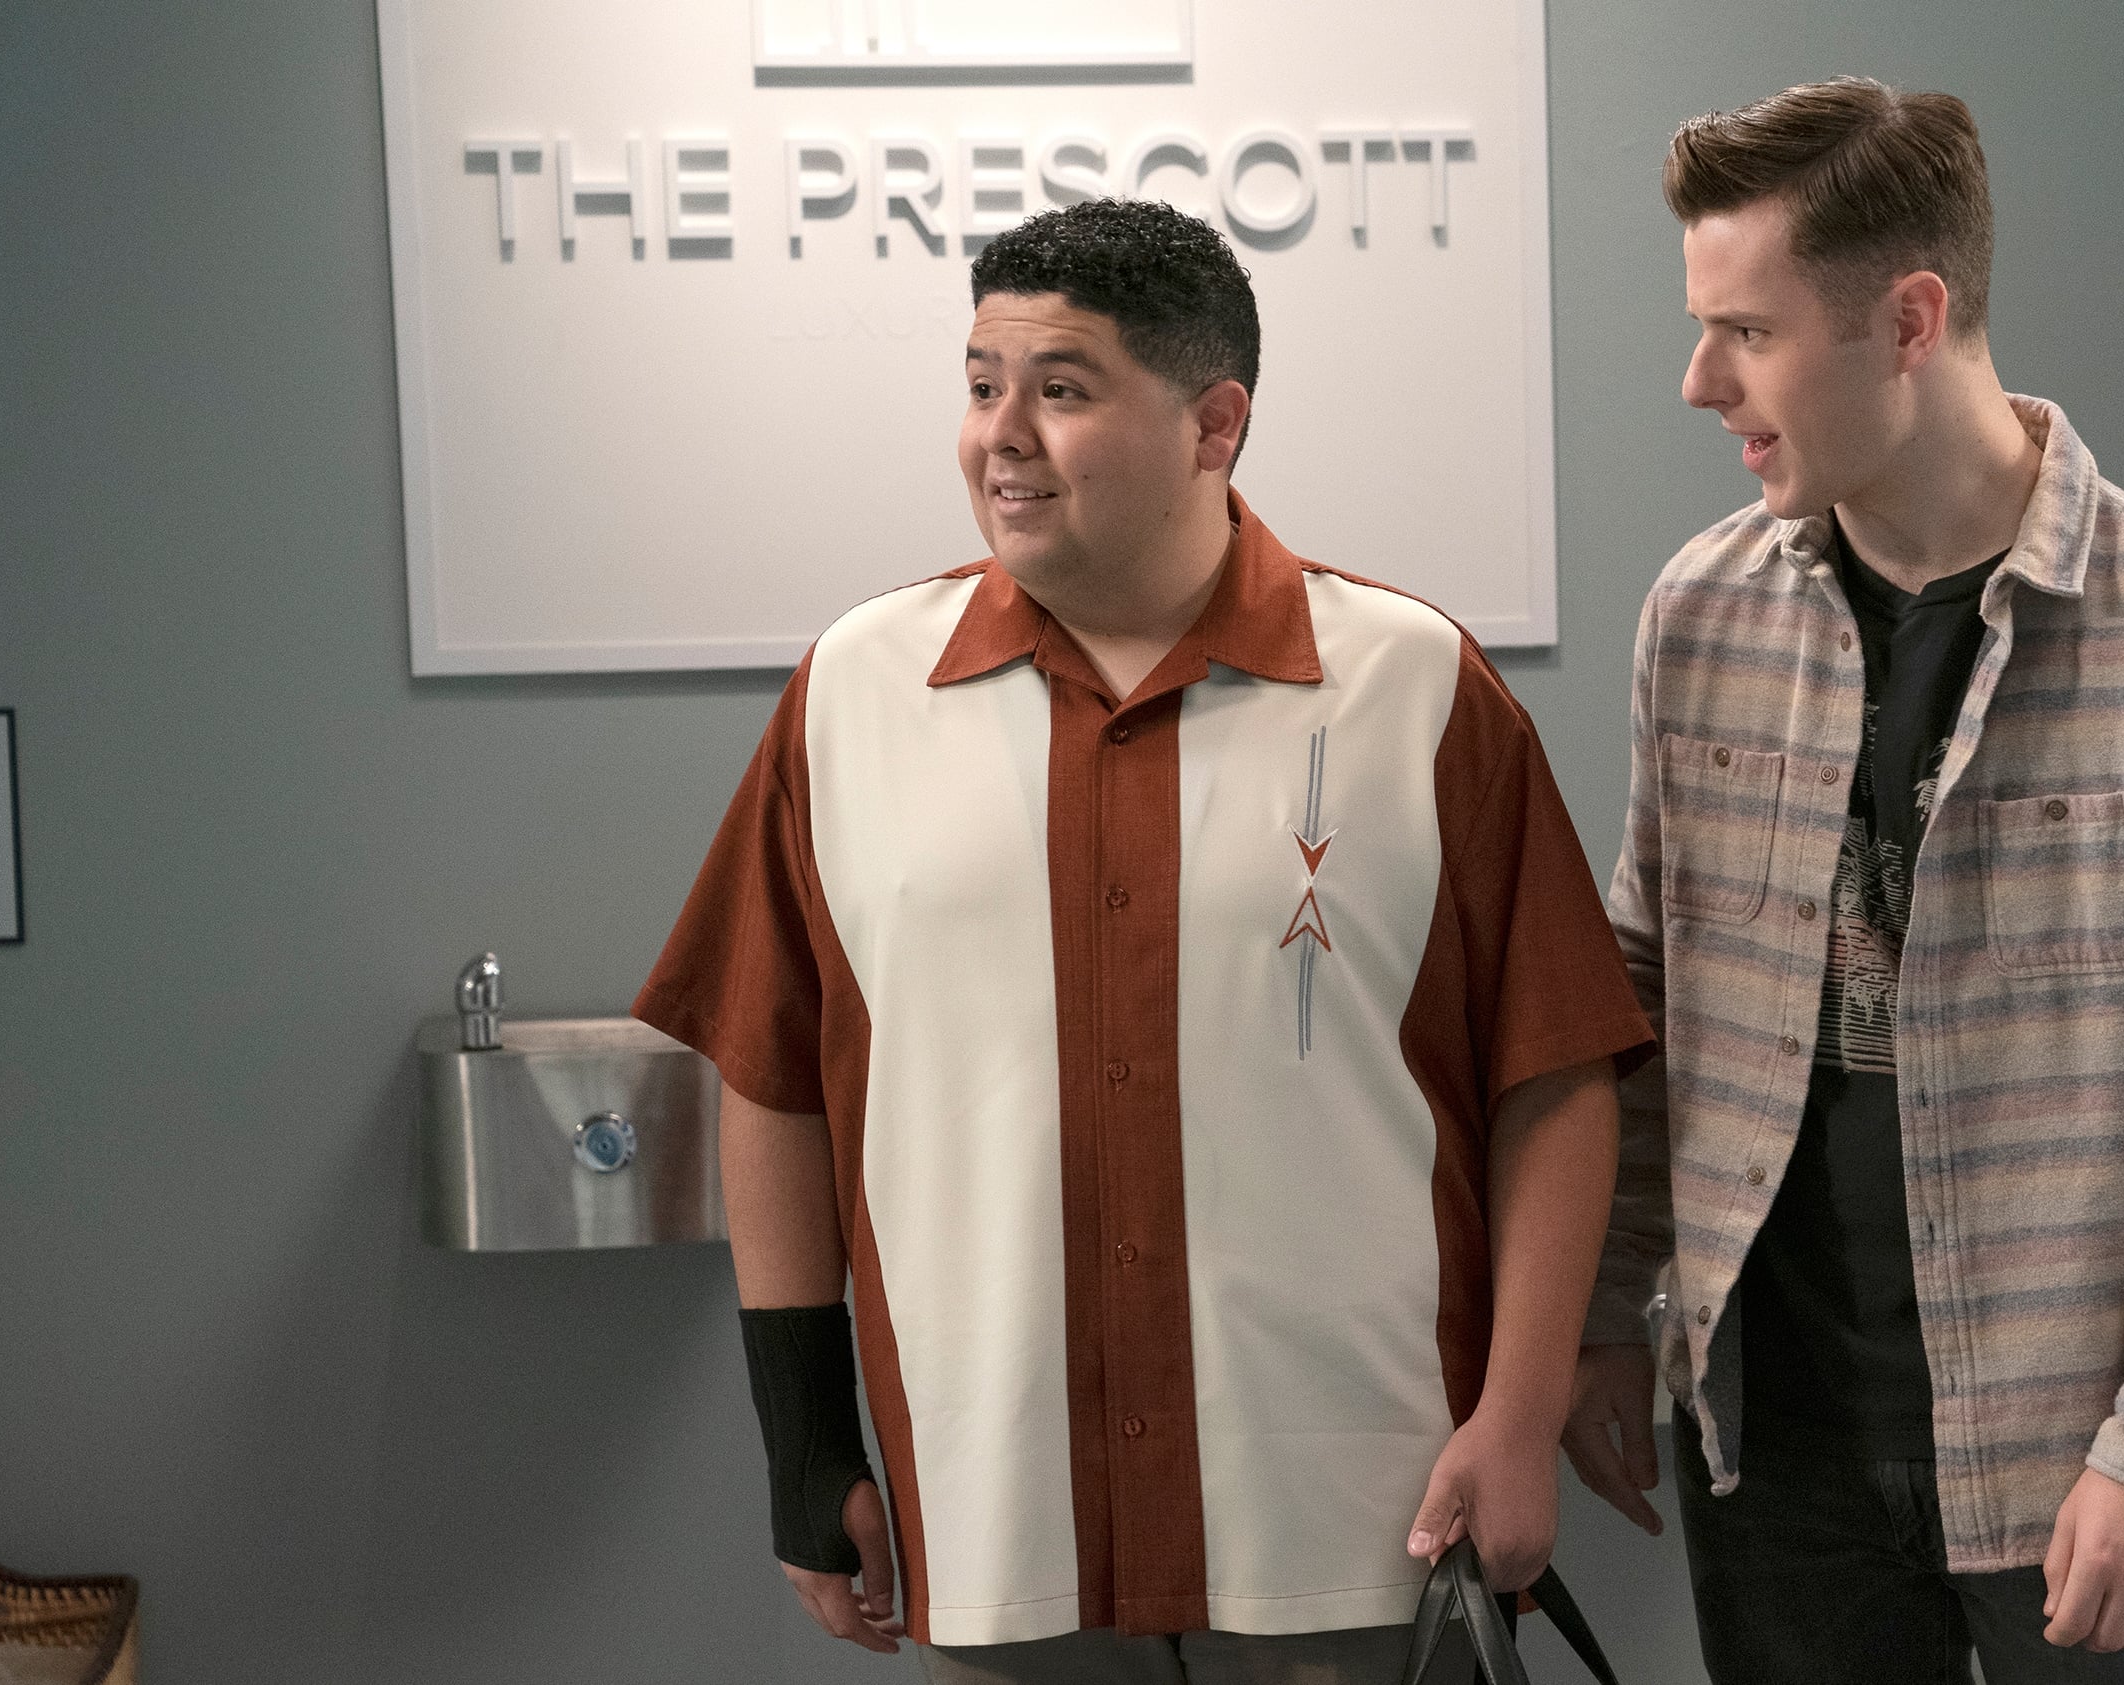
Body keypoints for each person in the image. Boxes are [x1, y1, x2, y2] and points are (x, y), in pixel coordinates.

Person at [635, 197, 1655, 1685]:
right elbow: (771, 1080)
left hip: (1357, 1522)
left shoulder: (1414, 685)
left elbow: (1555, 1078)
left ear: (1213, 424)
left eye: (1060, 389)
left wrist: (1519, 1411)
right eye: (981, 384)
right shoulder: (853, 693)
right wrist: (804, 1443)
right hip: (993, 1527)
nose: (1001, 436)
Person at [1559, 78, 2124, 1682]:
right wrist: (1602, 1311)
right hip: (1774, 1455)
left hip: (2085, 1460)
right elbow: (1648, 996)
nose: (1701, 379)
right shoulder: (1699, 616)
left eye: (1747, 332)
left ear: (1910, 320)